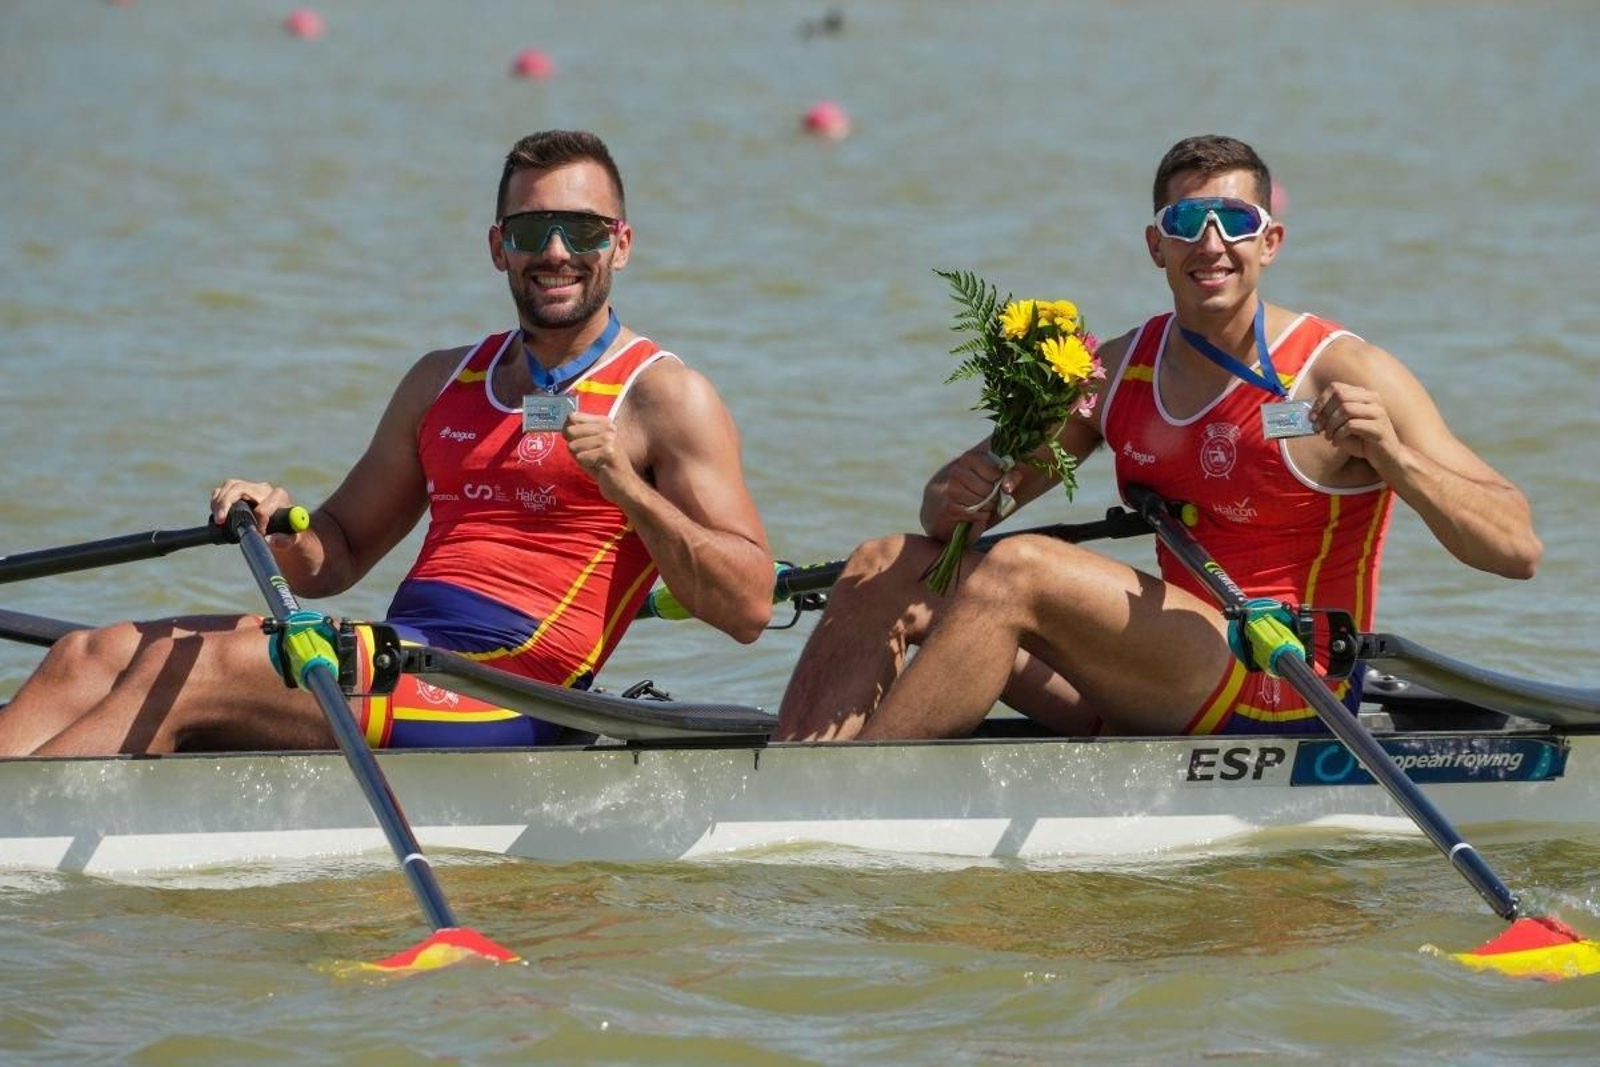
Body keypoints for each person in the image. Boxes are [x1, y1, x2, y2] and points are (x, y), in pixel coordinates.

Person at [0, 129, 774, 757]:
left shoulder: (665, 397)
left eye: (584, 230)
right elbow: (334, 555)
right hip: (403, 652)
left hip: (509, 690)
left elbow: (748, 604)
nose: (558, 251)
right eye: (534, 229)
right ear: (499, 246)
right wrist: (281, 521)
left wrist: (626, 487)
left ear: (623, 243)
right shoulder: (442, 381)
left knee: (198, 670)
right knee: (91, 655)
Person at [776, 134, 1541, 742]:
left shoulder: (1342, 370)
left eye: (1235, 222)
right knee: (884, 564)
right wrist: (982, 473)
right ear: (1155, 245)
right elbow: (946, 521)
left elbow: (1516, 548)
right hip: (1163, 671)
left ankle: (859, 792)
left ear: (1270, 241)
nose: (1211, 243)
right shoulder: (1117, 369)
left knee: (1020, 569)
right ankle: (798, 777)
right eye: (1186, 224)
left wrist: (1396, 461)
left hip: (1286, 684)